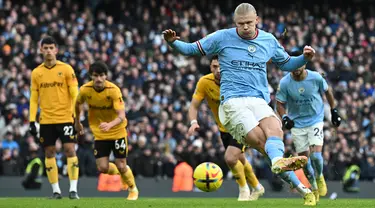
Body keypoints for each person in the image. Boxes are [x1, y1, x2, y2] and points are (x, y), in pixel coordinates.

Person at [163, 3, 317, 205]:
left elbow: (286, 63)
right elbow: (192, 49)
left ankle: (302, 189)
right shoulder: (222, 37)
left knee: (275, 132)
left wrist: (303, 58)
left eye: (249, 23)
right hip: (233, 103)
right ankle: (288, 180)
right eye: (240, 24)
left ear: (257, 21)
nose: (245, 27)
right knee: (262, 143)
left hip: (259, 100)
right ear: (235, 23)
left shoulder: (268, 40)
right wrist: (173, 42)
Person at [187, 55, 264, 201]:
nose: (218, 70)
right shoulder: (204, 82)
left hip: (241, 126)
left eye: (221, 66)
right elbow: (194, 105)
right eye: (214, 67)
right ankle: (257, 186)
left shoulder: (237, 80)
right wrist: (193, 122)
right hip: (224, 129)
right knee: (240, 159)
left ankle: (243, 189)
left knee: (230, 158)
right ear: (210, 67)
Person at [276, 50, 342, 201]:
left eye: (299, 64)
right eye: (293, 65)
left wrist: (334, 110)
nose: (296, 68)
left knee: (317, 157)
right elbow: (279, 103)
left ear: (304, 63)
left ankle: (319, 177)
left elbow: (328, 92)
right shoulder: (285, 83)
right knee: (304, 162)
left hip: (315, 120)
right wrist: (285, 117)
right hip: (297, 124)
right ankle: (313, 187)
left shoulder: (316, 77)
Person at [74, 61, 139, 200]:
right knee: (102, 168)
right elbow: (77, 104)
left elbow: (122, 116)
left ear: (106, 76)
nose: (98, 79)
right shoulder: (85, 90)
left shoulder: (113, 90)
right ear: (91, 76)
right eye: (95, 75)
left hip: (117, 132)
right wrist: (77, 121)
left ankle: (133, 189)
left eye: (101, 75)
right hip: (100, 133)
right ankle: (124, 173)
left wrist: (110, 125)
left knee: (121, 164)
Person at [29, 36, 79, 199]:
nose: (49, 51)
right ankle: (56, 191)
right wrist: (31, 120)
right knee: (49, 152)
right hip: (46, 120)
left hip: (65, 117)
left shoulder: (66, 69)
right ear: (41, 50)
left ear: (56, 50)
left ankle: (73, 190)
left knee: (69, 149)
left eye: (51, 48)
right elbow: (34, 98)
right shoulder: (37, 73)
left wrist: (75, 115)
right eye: (46, 48)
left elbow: (74, 93)